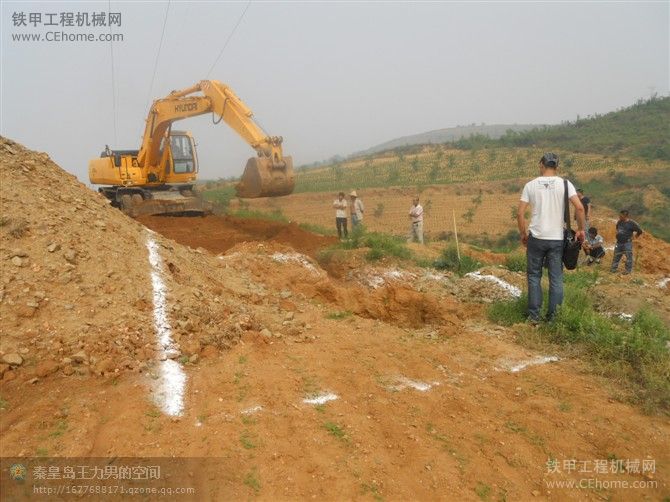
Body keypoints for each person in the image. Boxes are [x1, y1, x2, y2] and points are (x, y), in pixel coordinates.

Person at [517, 153, 585, 324]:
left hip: (536, 238)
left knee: (534, 276)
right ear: (557, 166)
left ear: (541, 164)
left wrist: (523, 234)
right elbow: (579, 207)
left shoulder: (530, 185)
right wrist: (581, 230)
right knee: (556, 277)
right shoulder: (565, 184)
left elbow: (520, 214)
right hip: (556, 239)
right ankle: (554, 318)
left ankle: (534, 317)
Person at [610, 209, 643, 275]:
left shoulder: (632, 223)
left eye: (621, 216)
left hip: (627, 243)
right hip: (619, 242)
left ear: (625, 216)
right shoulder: (619, 222)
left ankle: (628, 271)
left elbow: (640, 231)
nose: (619, 217)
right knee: (616, 255)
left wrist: (635, 237)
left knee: (628, 256)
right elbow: (617, 228)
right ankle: (613, 269)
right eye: (619, 215)